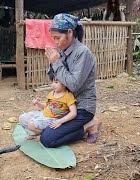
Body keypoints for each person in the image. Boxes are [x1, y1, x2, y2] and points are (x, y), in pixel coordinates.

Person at [42, 13, 102, 148]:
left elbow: (74, 85)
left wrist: (57, 62)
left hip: (81, 108)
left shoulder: (83, 53)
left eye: (57, 38)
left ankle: (89, 125)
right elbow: (54, 79)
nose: (55, 42)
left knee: (47, 139)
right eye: (53, 38)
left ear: (69, 32)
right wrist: (52, 63)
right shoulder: (62, 51)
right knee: (37, 124)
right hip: (65, 105)